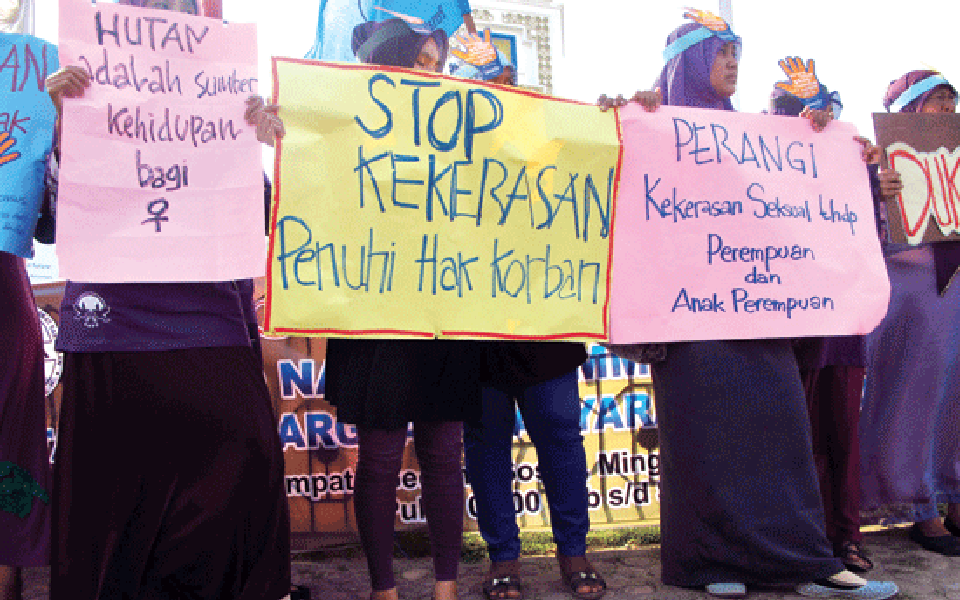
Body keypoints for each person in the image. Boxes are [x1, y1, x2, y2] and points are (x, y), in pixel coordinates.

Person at [598, 10, 898, 600]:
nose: (734, 62)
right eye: (720, 52)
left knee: (782, 432)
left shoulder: (761, 137)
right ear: (685, 62)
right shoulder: (650, 125)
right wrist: (611, 119)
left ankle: (807, 563)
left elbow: (808, 203)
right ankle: (712, 565)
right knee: (705, 444)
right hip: (686, 323)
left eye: (737, 52)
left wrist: (841, 157)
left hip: (761, 310)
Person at [43, 0, 292, 598]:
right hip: (113, 333)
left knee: (240, 476)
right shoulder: (75, 98)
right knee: (117, 517)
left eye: (172, 6)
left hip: (211, 325)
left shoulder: (223, 98)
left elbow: (265, 212)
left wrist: (267, 142)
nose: (159, 16)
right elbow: (48, 224)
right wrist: (64, 126)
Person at [321, 13, 483, 600]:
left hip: (443, 311)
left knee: (445, 452)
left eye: (439, 64)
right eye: (420, 61)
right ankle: (383, 589)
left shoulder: (463, 130)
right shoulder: (347, 132)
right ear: (388, 64)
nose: (433, 73)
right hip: (377, 316)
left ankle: (445, 587)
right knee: (382, 457)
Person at [447, 40, 605, 600]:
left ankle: (574, 550)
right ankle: (503, 558)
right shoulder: (437, 156)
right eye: (491, 78)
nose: (504, 86)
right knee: (486, 444)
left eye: (510, 76)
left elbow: (601, 177)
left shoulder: (552, 145)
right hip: (474, 335)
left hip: (545, 331)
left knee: (560, 436)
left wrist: (615, 120)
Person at [768, 74, 873, 573]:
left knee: (842, 433)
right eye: (798, 111)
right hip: (786, 327)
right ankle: (808, 538)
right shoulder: (756, 162)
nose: (811, 119)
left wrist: (879, 183)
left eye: (819, 109)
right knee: (797, 439)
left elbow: (874, 230)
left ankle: (847, 536)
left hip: (842, 323)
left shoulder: (849, 159)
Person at [859, 69, 960, 556]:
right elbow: (856, 231)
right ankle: (921, 506)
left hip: (957, 289)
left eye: (951, 99)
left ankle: (955, 495)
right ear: (912, 110)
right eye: (936, 99)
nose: (946, 108)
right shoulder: (878, 167)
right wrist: (877, 191)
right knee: (915, 400)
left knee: (957, 399)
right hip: (912, 293)